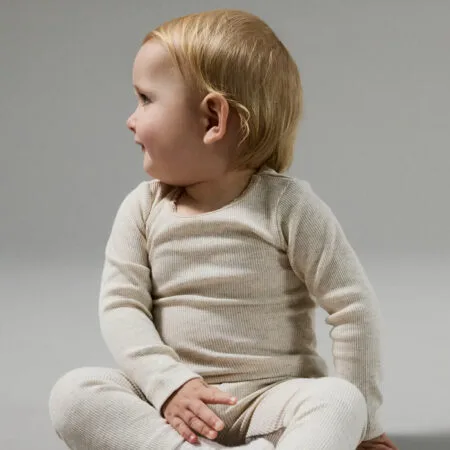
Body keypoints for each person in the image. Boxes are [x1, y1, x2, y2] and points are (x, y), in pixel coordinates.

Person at [48, 8, 398, 450]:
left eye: (146, 99)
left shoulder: (288, 207)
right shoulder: (142, 209)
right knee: (74, 394)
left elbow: (353, 308)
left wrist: (365, 425)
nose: (130, 119)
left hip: (271, 405)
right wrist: (168, 383)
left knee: (340, 400)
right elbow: (121, 307)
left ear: (213, 119)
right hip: (172, 408)